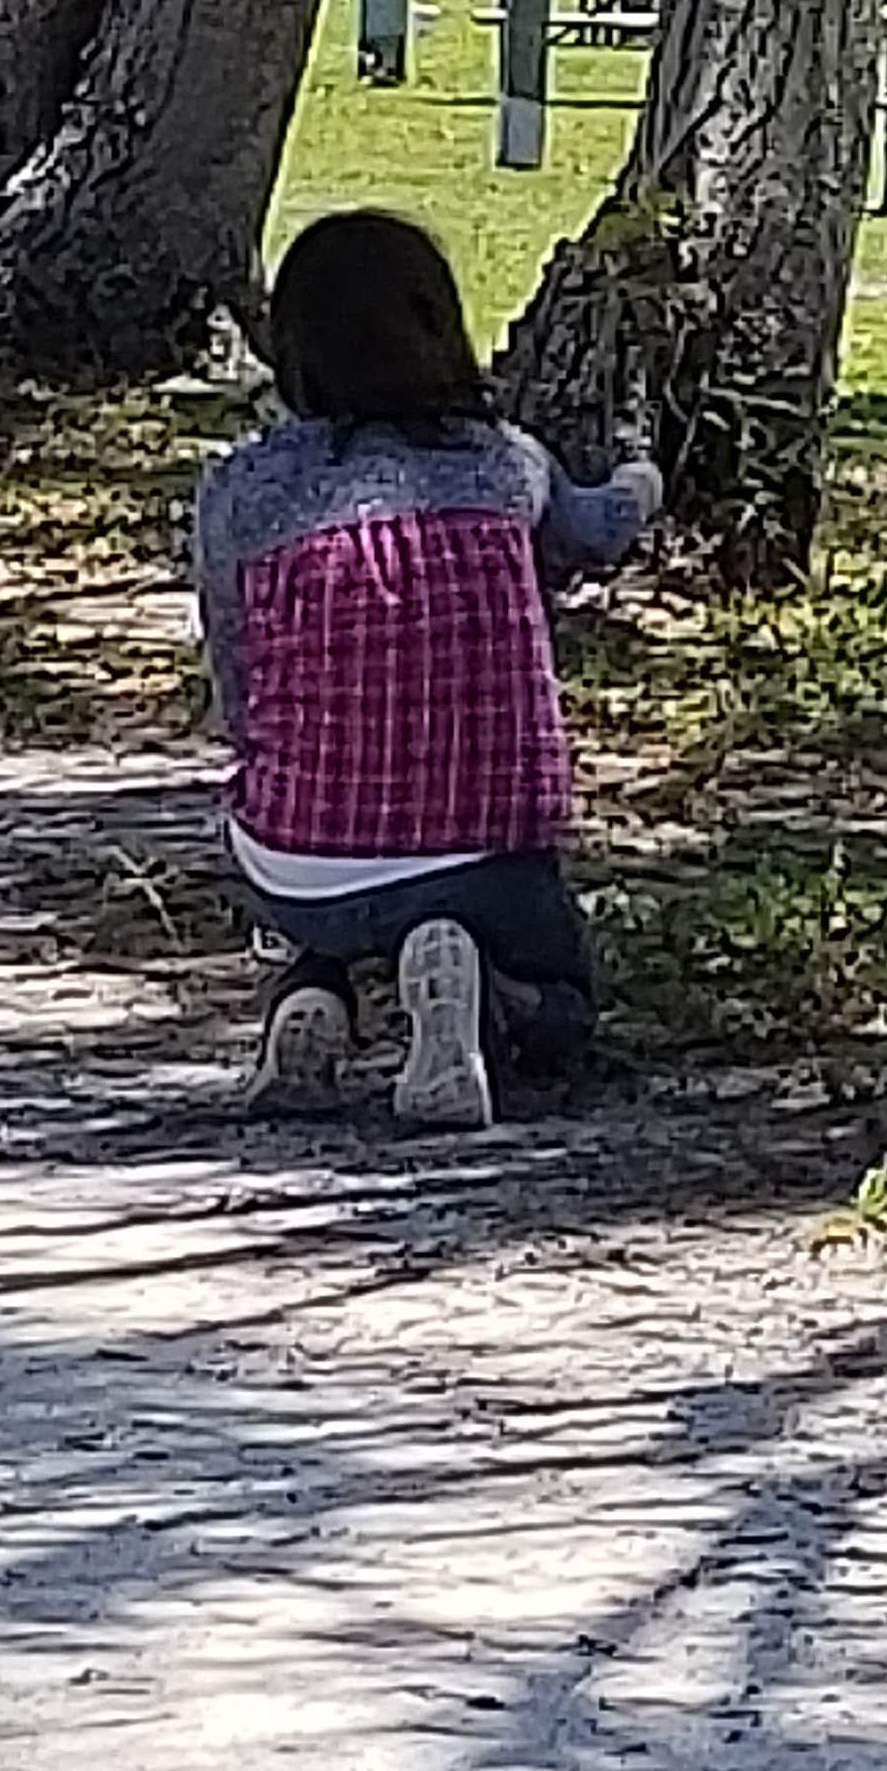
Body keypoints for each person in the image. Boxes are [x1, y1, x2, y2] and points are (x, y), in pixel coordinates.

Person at [194, 209, 660, 1129]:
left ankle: (314, 998)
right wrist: (642, 479)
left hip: (300, 855)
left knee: (330, 905)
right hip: (488, 846)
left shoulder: (242, 488)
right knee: (562, 999)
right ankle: (483, 999)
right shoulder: (504, 465)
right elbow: (594, 534)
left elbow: (236, 678)